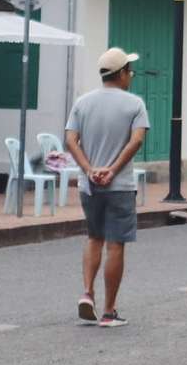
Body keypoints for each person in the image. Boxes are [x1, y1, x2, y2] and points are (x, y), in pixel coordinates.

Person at [63, 48, 150, 329]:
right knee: (115, 244)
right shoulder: (134, 104)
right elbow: (136, 141)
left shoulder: (83, 103)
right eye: (130, 72)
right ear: (122, 73)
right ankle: (110, 311)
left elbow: (70, 140)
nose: (131, 76)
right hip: (120, 185)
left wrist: (89, 170)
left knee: (94, 237)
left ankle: (87, 293)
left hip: (90, 185)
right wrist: (112, 170)